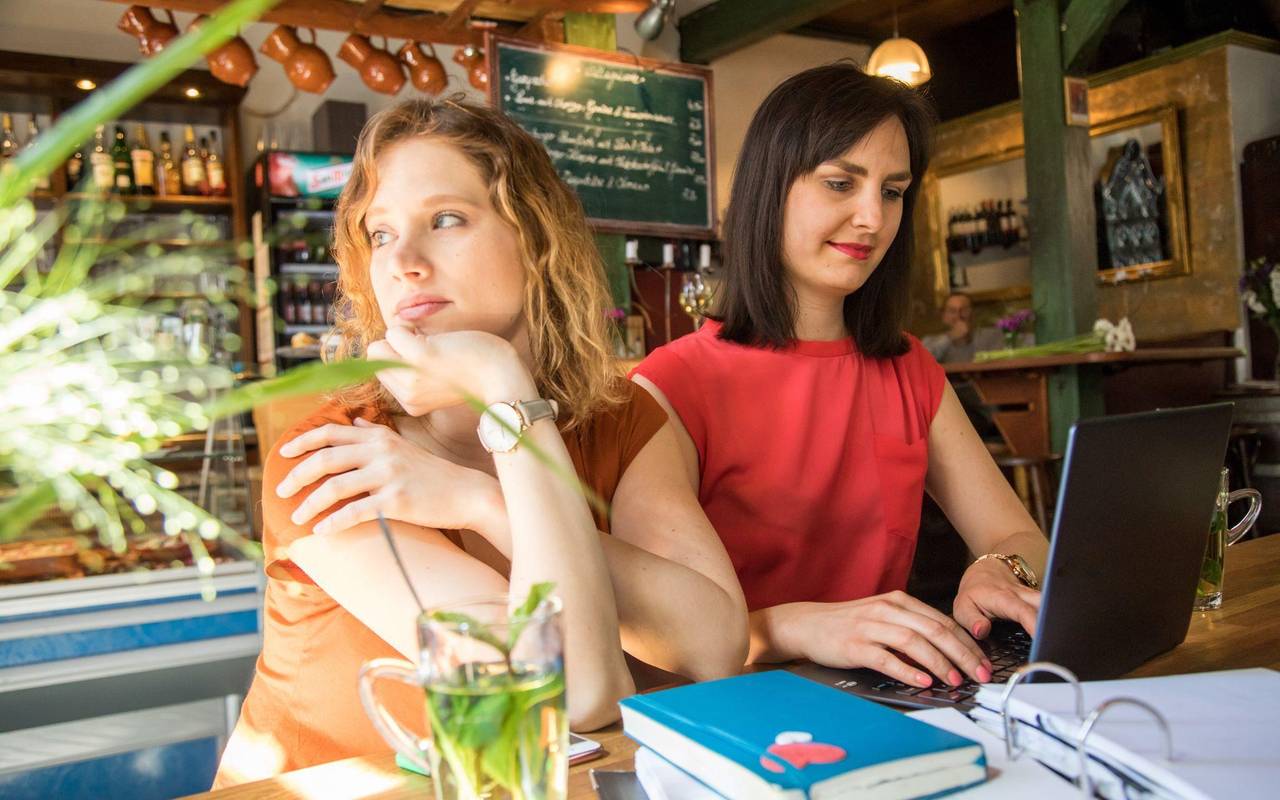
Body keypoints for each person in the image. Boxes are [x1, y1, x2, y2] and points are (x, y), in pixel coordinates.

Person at [214, 98, 747, 786]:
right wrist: (506, 409)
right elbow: (573, 695)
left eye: (445, 220)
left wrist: (484, 492)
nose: (403, 262)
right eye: (380, 234)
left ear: (535, 237)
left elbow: (714, 646)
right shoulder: (331, 455)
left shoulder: (619, 417)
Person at [632, 63, 1048, 693]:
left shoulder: (909, 368)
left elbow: (1022, 537)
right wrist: (793, 627)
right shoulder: (670, 385)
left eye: (892, 192)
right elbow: (653, 628)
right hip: (730, 708)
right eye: (839, 183)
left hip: (887, 695)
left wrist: (997, 567)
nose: (872, 218)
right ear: (769, 189)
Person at [921, 291, 1005, 363]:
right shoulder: (930, 341)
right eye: (952, 311)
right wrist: (950, 337)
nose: (958, 315)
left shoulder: (992, 335)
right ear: (944, 316)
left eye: (964, 310)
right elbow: (921, 363)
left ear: (973, 313)